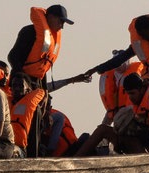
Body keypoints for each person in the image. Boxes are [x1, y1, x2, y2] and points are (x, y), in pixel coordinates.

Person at [6, 5, 90, 157]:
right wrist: (22, 79)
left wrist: (45, 95)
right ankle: (29, 155)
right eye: (60, 21)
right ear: (49, 17)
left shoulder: (50, 39)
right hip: (21, 83)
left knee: (41, 117)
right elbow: (12, 57)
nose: (62, 25)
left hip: (37, 84)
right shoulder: (30, 32)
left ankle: (36, 154)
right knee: (29, 117)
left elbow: (41, 70)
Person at [8, 72, 45, 156]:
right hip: (5, 145)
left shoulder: (34, 109)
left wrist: (31, 161)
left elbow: (34, 137)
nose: (17, 88)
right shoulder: (5, 103)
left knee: (11, 152)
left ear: (28, 90)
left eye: (21, 86)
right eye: (14, 85)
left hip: (20, 150)